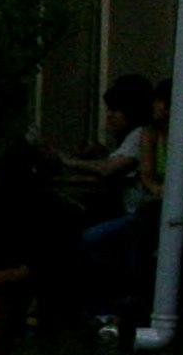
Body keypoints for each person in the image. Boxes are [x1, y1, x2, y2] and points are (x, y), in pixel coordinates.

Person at [62, 74, 167, 339]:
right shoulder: (143, 135)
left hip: (143, 216)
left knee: (95, 240)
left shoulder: (141, 136)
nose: (109, 118)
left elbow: (113, 170)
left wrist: (67, 162)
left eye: (114, 111)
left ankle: (109, 312)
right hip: (138, 213)